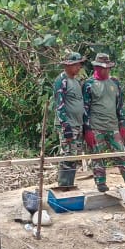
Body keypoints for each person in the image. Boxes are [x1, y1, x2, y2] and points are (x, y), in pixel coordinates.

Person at [82, 53, 125, 194]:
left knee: (122, 154)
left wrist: (123, 123)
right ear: (97, 67)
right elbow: (85, 109)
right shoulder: (88, 85)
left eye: (108, 68)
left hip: (113, 125)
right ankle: (101, 184)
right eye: (104, 68)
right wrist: (87, 129)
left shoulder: (115, 83)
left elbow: (120, 105)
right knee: (98, 156)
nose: (107, 71)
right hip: (96, 126)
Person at [52, 52, 87, 190]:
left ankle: (70, 184)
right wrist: (65, 125)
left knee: (74, 156)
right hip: (68, 125)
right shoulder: (61, 80)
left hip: (77, 125)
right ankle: (63, 186)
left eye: (79, 64)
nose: (78, 67)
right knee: (67, 155)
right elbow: (59, 104)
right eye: (76, 65)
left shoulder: (76, 81)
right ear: (68, 65)